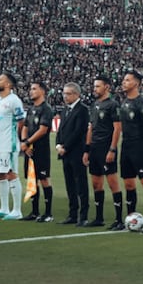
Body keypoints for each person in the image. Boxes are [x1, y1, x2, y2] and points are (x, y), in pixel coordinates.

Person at [117, 70, 143, 231]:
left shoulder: (142, 103)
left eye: (127, 80)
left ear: (135, 83)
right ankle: (131, 219)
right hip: (126, 147)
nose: (123, 82)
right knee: (128, 184)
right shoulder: (125, 102)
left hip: (139, 147)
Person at [84, 76, 123, 228]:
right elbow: (91, 128)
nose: (95, 89)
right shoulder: (94, 105)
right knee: (96, 184)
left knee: (113, 183)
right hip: (94, 148)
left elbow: (117, 128)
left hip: (106, 148)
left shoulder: (113, 105)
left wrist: (112, 149)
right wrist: (87, 149)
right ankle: (99, 218)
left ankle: (119, 219)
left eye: (98, 86)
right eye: (94, 86)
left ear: (107, 87)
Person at [0, 72, 26, 220]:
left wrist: (19, 139)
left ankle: (17, 210)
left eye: (0, 79)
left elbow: (21, 122)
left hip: (8, 145)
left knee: (11, 173)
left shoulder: (14, 100)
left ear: (9, 84)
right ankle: (4, 208)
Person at [19, 80, 55, 222]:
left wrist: (27, 142)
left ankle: (48, 213)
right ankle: (34, 212)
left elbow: (43, 130)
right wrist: (24, 143)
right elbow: (25, 127)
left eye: (34, 88)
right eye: (30, 88)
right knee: (32, 180)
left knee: (44, 179)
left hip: (41, 150)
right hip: (29, 150)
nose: (31, 91)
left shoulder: (46, 109)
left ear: (42, 91)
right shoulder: (31, 108)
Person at [56, 82, 90, 225]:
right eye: (64, 93)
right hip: (65, 153)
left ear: (77, 94)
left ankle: (83, 216)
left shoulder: (82, 110)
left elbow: (79, 132)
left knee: (81, 184)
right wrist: (58, 144)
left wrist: (65, 146)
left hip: (77, 152)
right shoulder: (65, 110)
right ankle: (72, 214)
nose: (65, 96)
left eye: (68, 93)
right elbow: (60, 130)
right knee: (70, 184)